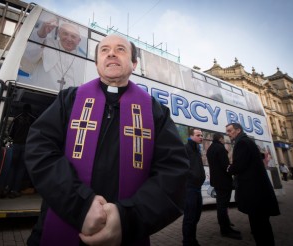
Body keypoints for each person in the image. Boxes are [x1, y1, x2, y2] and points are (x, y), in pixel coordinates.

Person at [24, 34, 190, 245]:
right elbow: (39, 150)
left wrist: (128, 218)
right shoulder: (69, 100)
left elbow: (174, 171)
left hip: (125, 235)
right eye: (104, 50)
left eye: (120, 49)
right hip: (61, 222)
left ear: (134, 63)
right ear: (96, 64)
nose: (111, 53)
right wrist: (80, 204)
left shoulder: (156, 113)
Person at [226, 123, 280, 246]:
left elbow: (239, 165)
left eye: (230, 131)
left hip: (254, 192)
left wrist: (229, 169)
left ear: (238, 130)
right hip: (258, 191)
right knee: (262, 225)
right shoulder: (247, 141)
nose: (228, 134)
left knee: (259, 227)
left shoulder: (242, 143)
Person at [19, 18, 86, 91]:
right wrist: (41, 34)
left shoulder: (83, 59)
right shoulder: (47, 43)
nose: (69, 39)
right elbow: (29, 56)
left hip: (68, 100)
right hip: (40, 94)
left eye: (73, 36)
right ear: (59, 34)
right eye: (65, 34)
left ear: (79, 41)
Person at [206, 133, 242, 240]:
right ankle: (225, 230)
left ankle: (225, 227)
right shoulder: (220, 148)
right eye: (223, 139)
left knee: (220, 206)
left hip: (216, 182)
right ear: (221, 139)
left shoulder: (210, 149)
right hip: (223, 182)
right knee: (223, 206)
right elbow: (225, 166)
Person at [1, 104, 36, 199]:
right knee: (21, 168)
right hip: (26, 146)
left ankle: (6, 188)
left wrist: (15, 138)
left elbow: (10, 132)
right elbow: (36, 133)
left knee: (12, 167)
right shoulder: (33, 119)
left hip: (16, 145)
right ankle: (15, 191)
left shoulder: (16, 118)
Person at [182, 128, 206, 246]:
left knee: (196, 216)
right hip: (190, 188)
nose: (201, 137)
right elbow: (183, 167)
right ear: (191, 136)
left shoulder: (197, 149)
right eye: (198, 135)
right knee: (190, 218)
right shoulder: (186, 148)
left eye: (201, 135)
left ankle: (193, 240)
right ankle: (187, 242)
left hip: (197, 188)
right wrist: (192, 177)